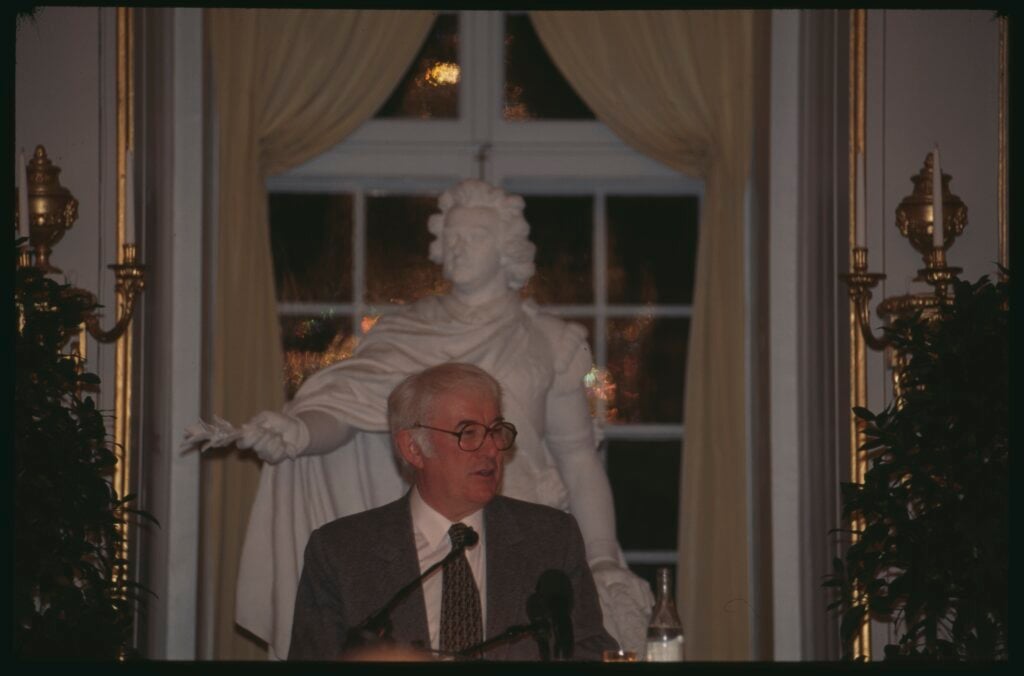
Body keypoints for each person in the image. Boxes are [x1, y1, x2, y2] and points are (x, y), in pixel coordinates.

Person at [185, 179, 653, 658]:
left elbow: (577, 457)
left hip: (523, 516)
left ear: (507, 248)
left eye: (474, 236)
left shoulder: (549, 344)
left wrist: (601, 557)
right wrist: (302, 431)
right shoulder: (344, 552)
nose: (457, 246)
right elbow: (347, 404)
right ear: (411, 448)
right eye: (449, 236)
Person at [288, 363, 617, 661]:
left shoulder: (550, 539)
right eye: (468, 433)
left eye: (495, 431)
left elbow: (588, 652)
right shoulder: (341, 553)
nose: (491, 450)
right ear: (413, 448)